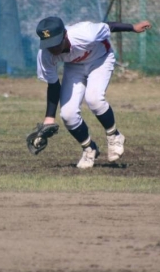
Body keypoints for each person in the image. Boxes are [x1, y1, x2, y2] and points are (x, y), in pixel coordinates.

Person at [35, 16, 151, 169]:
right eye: (49, 45)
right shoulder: (45, 55)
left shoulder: (85, 33)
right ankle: (89, 148)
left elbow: (109, 26)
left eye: (56, 43)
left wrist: (133, 27)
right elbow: (53, 85)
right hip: (74, 67)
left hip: (100, 60)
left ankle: (114, 136)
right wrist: (49, 118)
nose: (53, 49)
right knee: (68, 114)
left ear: (64, 34)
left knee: (94, 99)